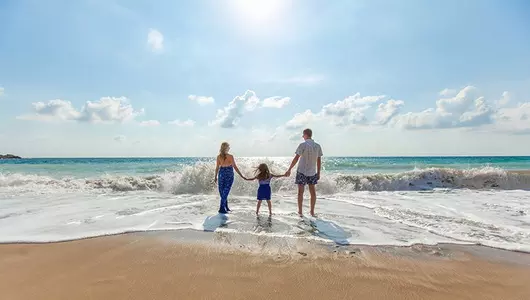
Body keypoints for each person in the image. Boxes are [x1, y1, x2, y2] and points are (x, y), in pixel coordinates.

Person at [285, 128, 323, 217]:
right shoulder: (317, 146)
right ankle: (312, 212)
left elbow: (296, 158)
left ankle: (300, 212)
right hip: (313, 171)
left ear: (306, 135)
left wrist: (289, 169)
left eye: (303, 135)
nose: (302, 136)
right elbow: (319, 161)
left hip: (301, 171)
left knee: (300, 192)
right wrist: (319, 172)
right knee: (312, 192)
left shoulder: (302, 145)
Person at [214, 142, 245, 214]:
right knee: (225, 191)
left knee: (223, 191)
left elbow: (217, 168)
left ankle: (226, 207)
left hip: (221, 173)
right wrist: (241, 175)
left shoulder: (219, 156)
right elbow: (235, 166)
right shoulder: (230, 156)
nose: (229, 148)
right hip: (228, 173)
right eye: (228, 147)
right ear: (226, 148)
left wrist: (216, 176)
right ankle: (222, 208)